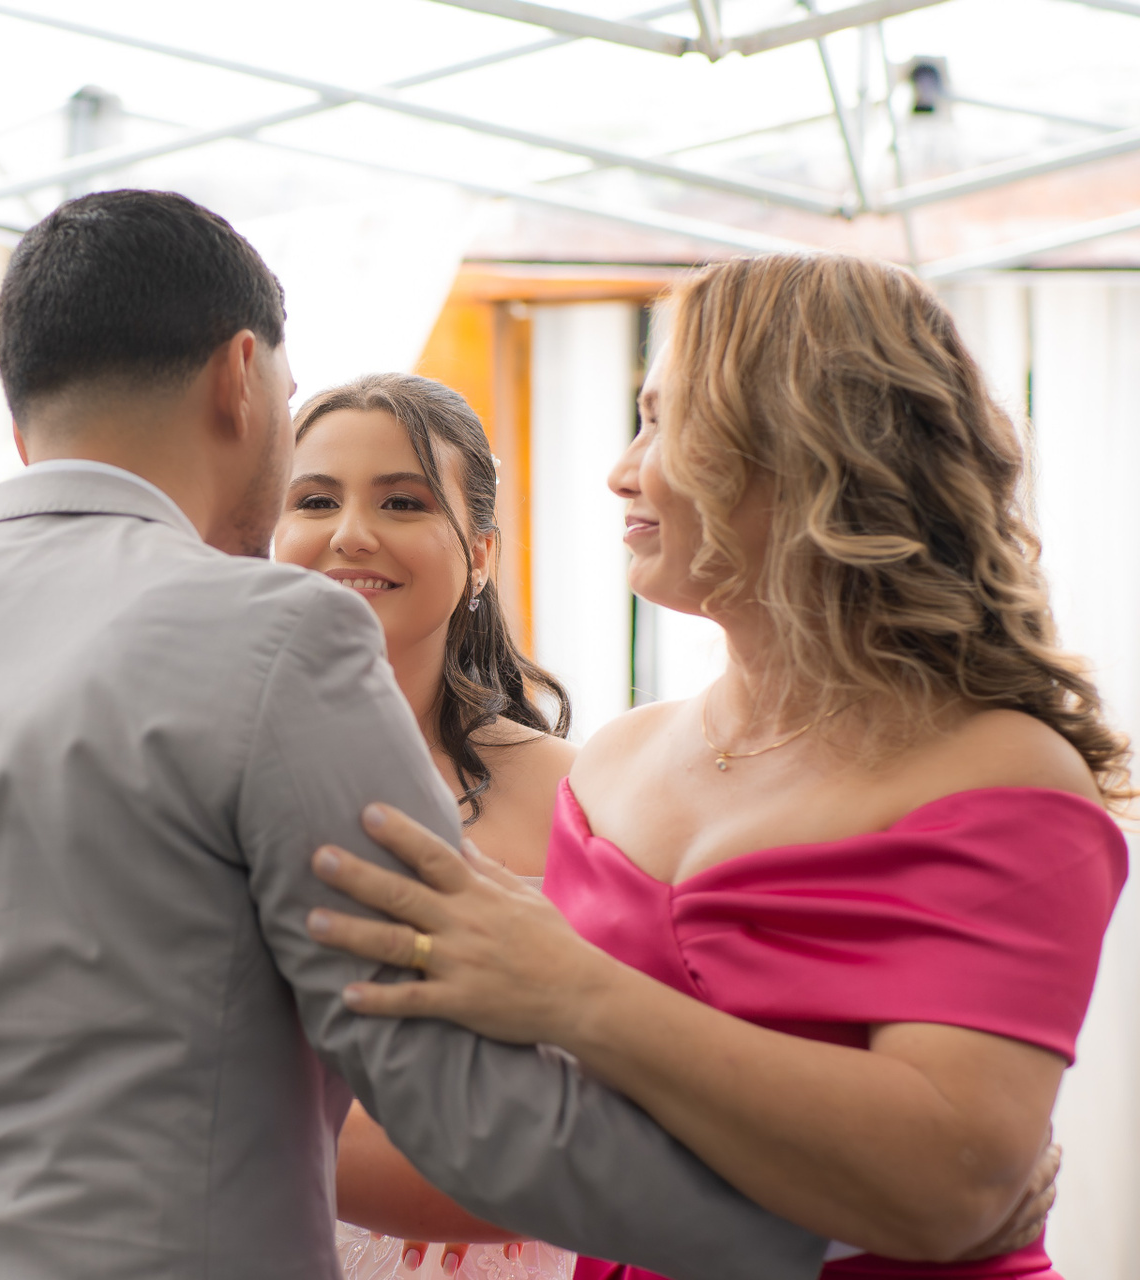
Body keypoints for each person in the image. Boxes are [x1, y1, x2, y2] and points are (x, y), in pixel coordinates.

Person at [0, 188, 826, 1280]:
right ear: (239, 377)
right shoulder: (276, 638)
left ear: (22, 420)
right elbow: (454, 1099)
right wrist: (825, 1223)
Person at [304, 252, 1122, 1278]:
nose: (621, 470)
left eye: (664, 421)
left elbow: (946, 1187)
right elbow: (558, 1138)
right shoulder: (617, 766)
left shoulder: (995, 771)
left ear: (806, 449)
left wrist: (575, 989)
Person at [273, 373, 574, 1276]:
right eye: (315, 500)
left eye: (401, 501)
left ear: (480, 555)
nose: (351, 533)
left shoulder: (583, 794)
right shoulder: (211, 769)